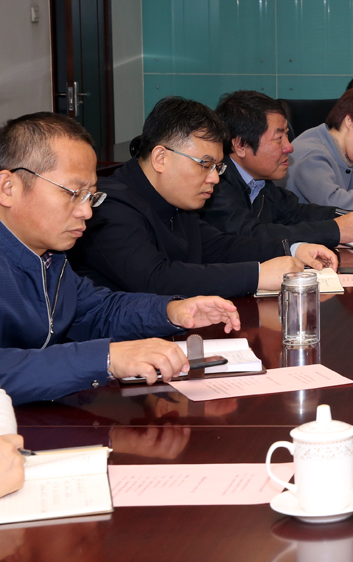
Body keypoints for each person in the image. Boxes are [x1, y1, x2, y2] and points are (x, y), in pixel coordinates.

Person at [0, 113, 241, 404]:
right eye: (73, 193)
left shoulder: (50, 257)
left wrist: (171, 311)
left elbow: (97, 310)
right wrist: (106, 358)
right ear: (8, 188)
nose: (86, 212)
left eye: (91, 196)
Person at [70, 99, 335, 298]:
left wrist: (293, 249)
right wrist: (256, 275)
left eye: (218, 167)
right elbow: (155, 280)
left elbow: (219, 247)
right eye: (205, 165)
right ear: (161, 158)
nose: (214, 178)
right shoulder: (110, 205)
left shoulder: (176, 200)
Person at [202, 91, 353, 246]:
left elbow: (295, 212)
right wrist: (335, 230)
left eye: (287, 135)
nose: (289, 147)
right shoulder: (215, 185)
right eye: (278, 138)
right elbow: (252, 235)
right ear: (241, 145)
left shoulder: (260, 181)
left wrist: (350, 216)